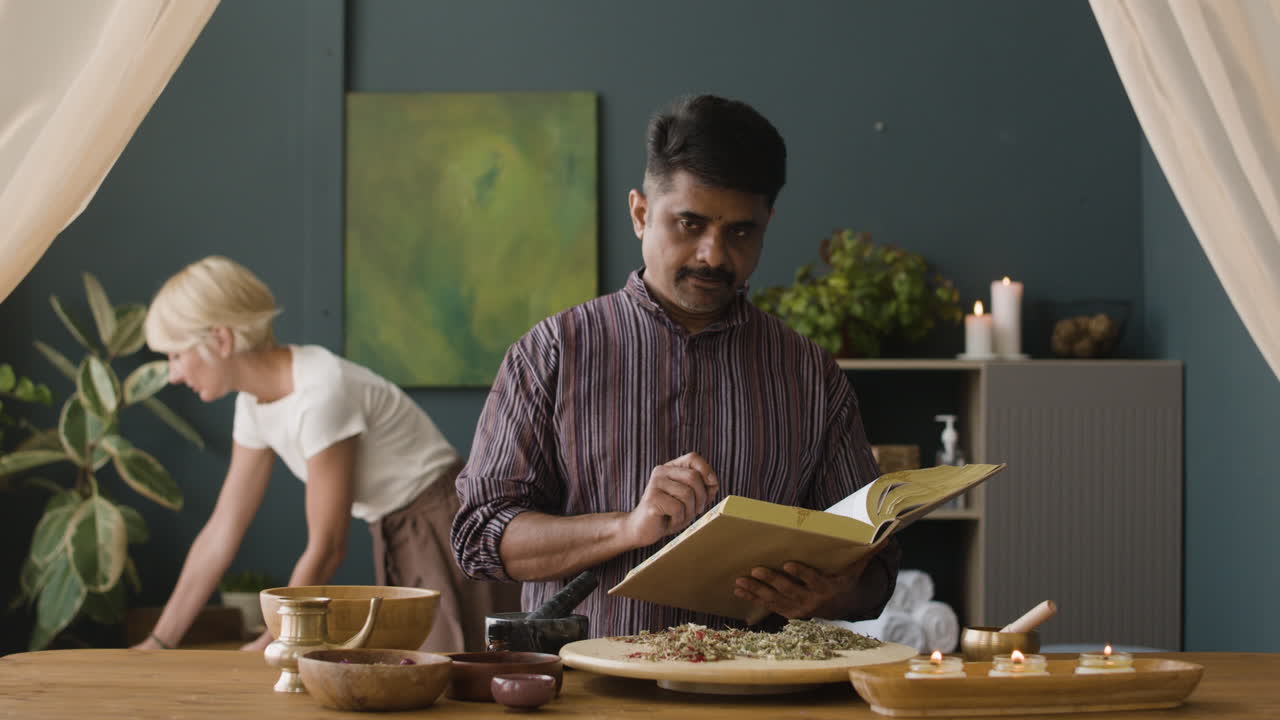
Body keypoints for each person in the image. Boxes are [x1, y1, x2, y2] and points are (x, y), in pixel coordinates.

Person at [451, 94, 899, 638]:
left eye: (740, 230)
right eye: (689, 223)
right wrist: (627, 528)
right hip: (588, 696)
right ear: (641, 213)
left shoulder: (809, 374)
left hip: (756, 696)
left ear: (767, 223)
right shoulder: (552, 352)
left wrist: (835, 593)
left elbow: (875, 570)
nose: (713, 254)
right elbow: (479, 537)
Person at [134, 256, 518, 652]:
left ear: (221, 340)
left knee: (454, 683)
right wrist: (158, 643)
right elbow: (222, 530)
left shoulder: (320, 392)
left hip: (442, 526)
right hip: (394, 528)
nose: (173, 374)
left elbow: (328, 546)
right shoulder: (253, 404)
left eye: (176, 355)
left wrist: (273, 640)